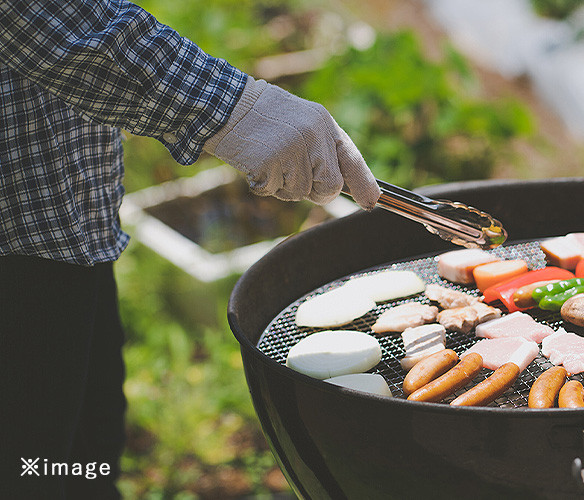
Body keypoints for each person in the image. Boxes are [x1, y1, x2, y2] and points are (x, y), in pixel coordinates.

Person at [0, 0, 380, 498]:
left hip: (70, 224)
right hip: (15, 247)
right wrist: (234, 110)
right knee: (30, 469)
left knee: (86, 456)